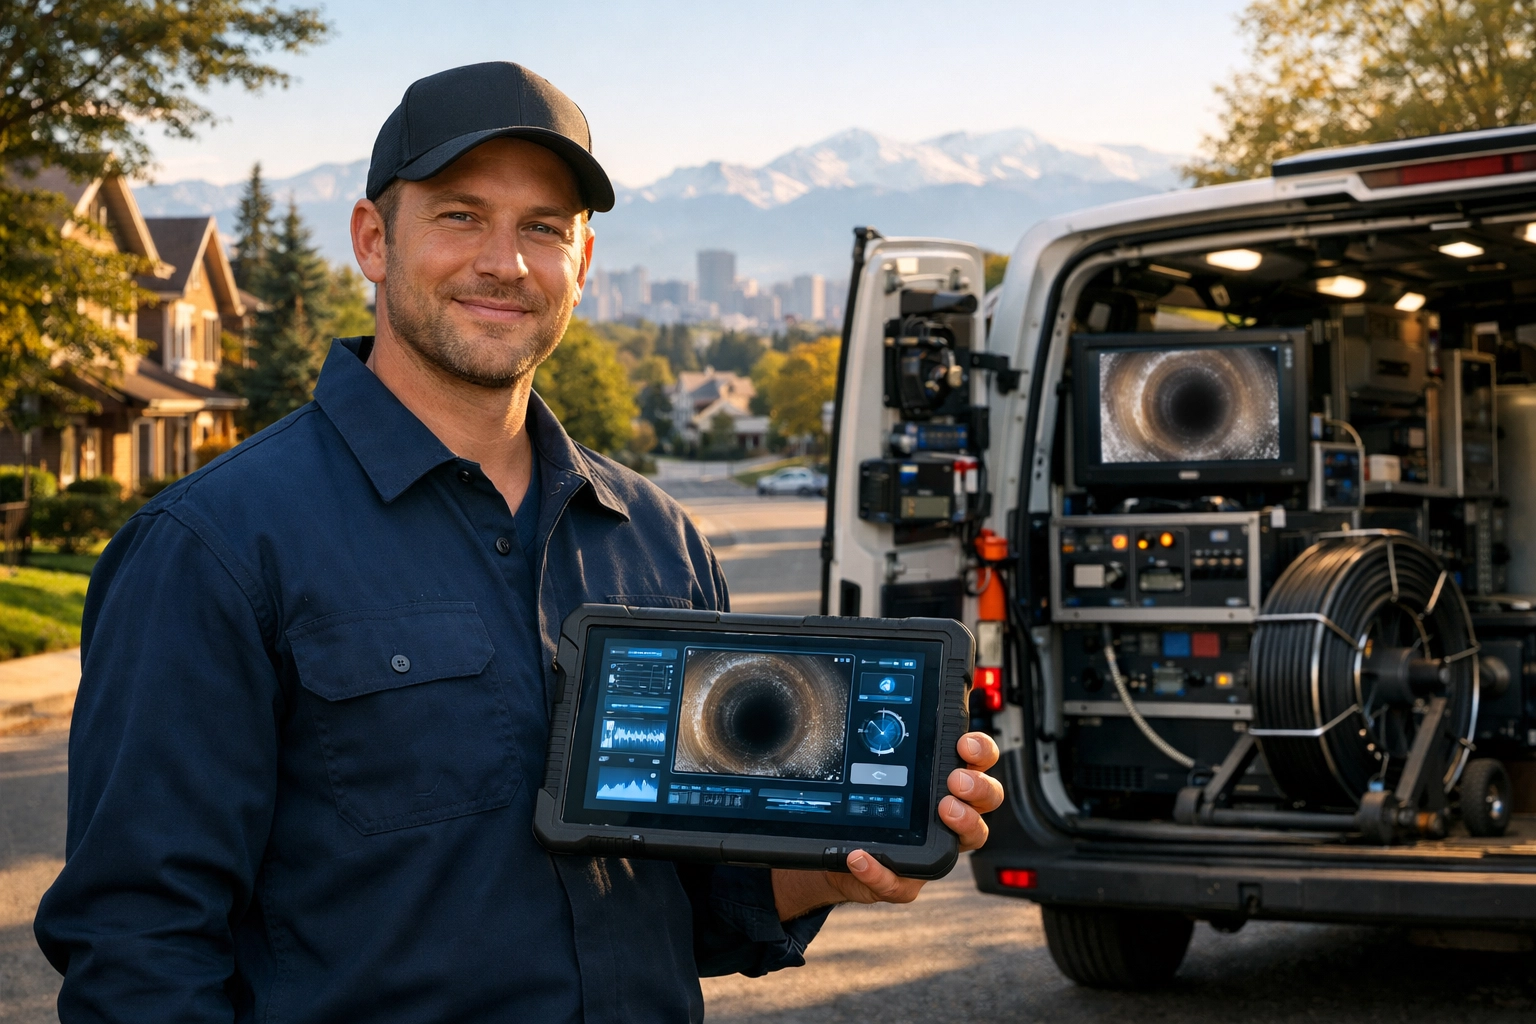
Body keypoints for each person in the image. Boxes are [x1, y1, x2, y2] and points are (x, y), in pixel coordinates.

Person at [34, 62, 1004, 1023]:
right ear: (374, 240)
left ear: (581, 264)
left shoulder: (659, 542)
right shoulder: (212, 549)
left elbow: (693, 910)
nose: (506, 261)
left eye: (543, 227)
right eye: (461, 214)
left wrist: (843, 866)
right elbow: (140, 954)